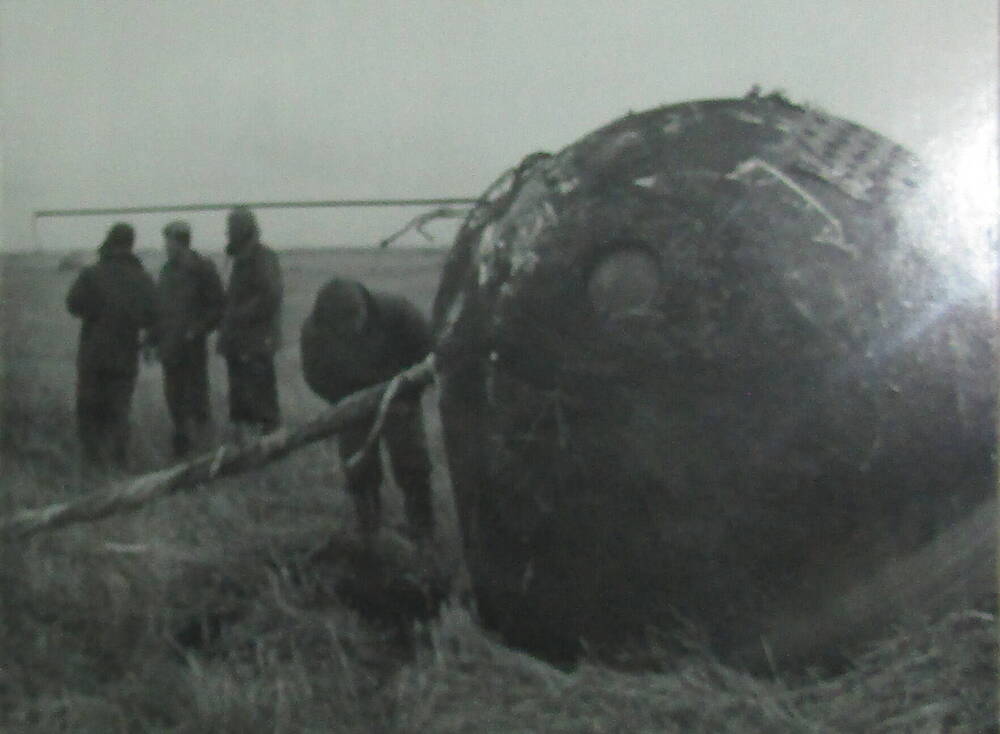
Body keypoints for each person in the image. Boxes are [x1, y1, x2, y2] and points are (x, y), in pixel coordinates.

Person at [300, 277, 434, 541]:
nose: (353, 329)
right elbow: (315, 375)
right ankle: (368, 528)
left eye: (356, 319)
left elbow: (429, 354)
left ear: (364, 309)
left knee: (412, 461)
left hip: (399, 396)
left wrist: (408, 395)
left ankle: (423, 529)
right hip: (352, 402)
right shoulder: (315, 332)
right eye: (344, 325)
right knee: (358, 466)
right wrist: (344, 403)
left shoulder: (398, 312)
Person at [66, 222, 157, 473]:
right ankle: (118, 465)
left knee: (89, 410)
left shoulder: (92, 273)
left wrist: (96, 312)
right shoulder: (142, 277)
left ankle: (91, 464)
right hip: (124, 355)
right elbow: (153, 314)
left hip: (93, 354)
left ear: (110, 241)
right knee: (119, 410)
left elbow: (73, 304)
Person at [153, 220, 225, 458]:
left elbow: (217, 306)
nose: (166, 246)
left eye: (168, 241)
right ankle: (182, 449)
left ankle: (205, 452)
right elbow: (160, 309)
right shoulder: (166, 270)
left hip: (191, 348)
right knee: (174, 399)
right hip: (169, 347)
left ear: (180, 242)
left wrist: (197, 329)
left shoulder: (202, 268)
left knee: (196, 399)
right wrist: (153, 338)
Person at [217, 206, 283, 439]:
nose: (227, 232)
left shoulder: (262, 257)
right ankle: (244, 446)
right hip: (238, 341)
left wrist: (238, 316)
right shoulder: (236, 259)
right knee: (240, 397)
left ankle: (268, 444)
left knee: (261, 398)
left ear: (243, 229)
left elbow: (270, 296)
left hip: (255, 341)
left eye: (231, 227)